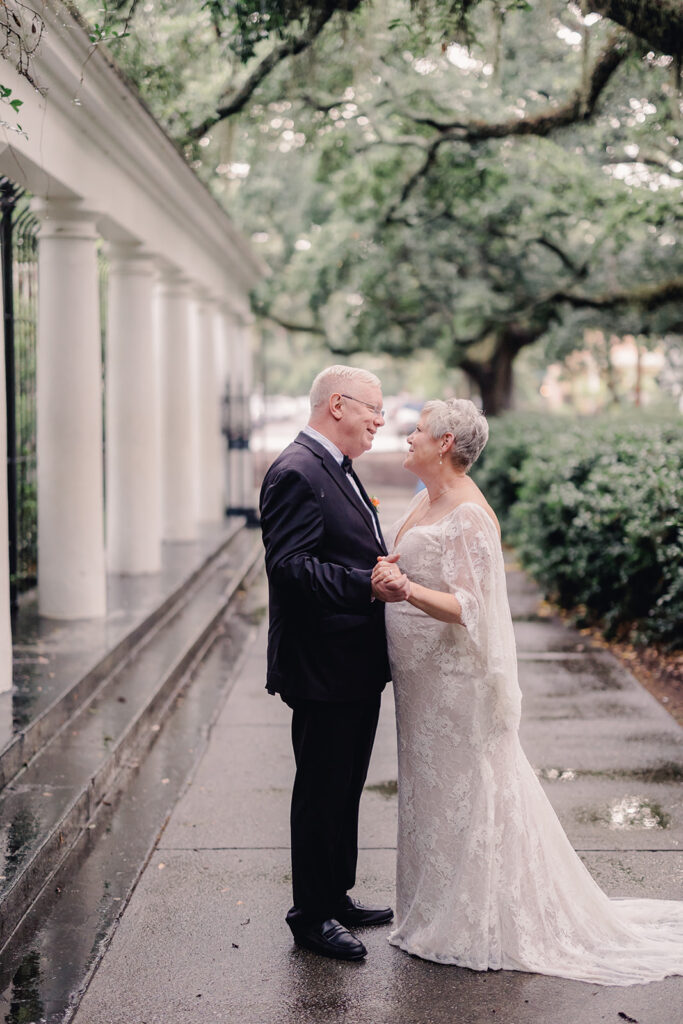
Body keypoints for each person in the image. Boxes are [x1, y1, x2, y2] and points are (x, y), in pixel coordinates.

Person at [372, 397, 683, 986]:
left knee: (468, 791)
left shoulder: (469, 516)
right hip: (421, 686)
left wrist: (405, 588)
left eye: (418, 430)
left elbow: (472, 609)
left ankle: (473, 918)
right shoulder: (423, 500)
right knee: (430, 794)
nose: (407, 436)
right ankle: (431, 908)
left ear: (444, 444)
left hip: (454, 683)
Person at [259, 365, 410, 962]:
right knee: (321, 790)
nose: (381, 419)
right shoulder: (296, 470)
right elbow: (289, 569)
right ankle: (311, 914)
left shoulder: (334, 466)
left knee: (345, 787)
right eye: (374, 408)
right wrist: (367, 586)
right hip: (321, 665)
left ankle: (336, 895)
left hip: (352, 662)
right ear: (338, 405)